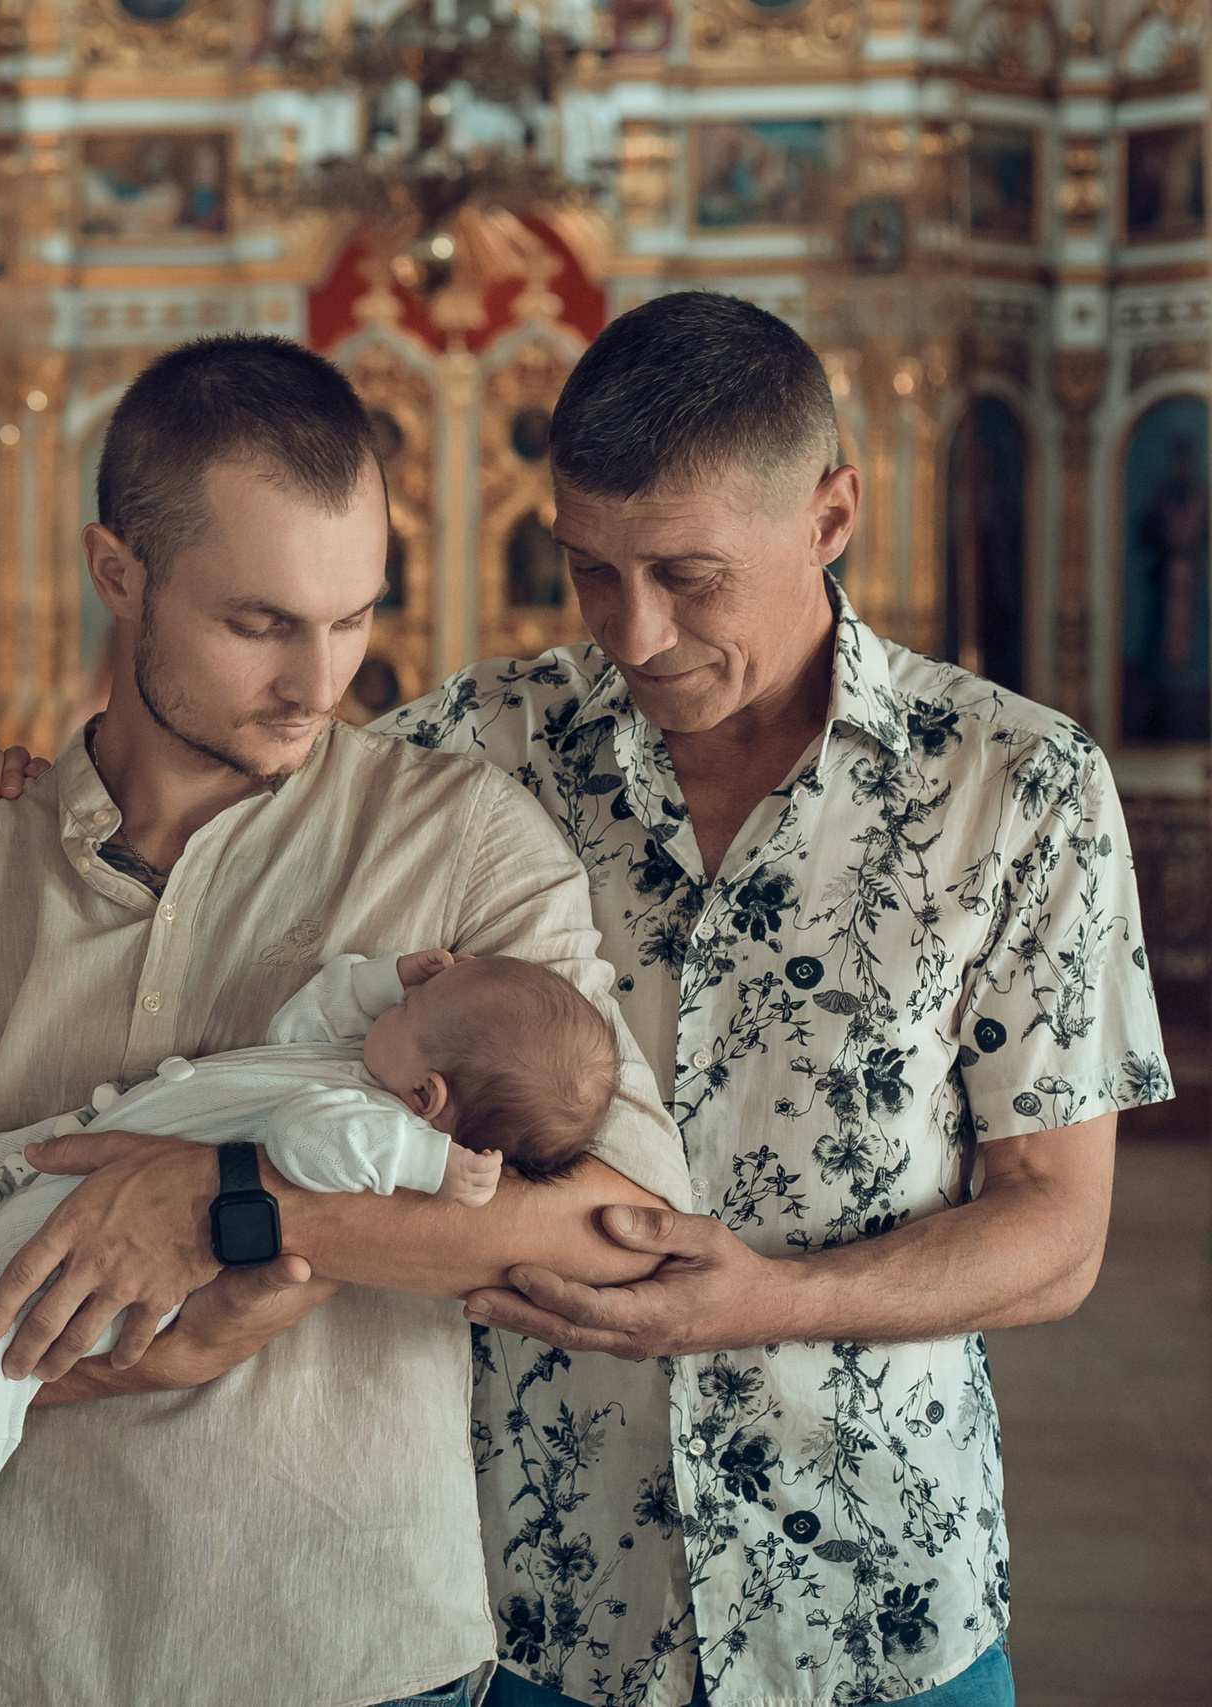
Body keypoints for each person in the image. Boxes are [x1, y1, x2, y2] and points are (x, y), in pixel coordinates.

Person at [0, 333, 692, 1707]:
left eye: (351, 617)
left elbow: (625, 1230)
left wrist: (235, 1204)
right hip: (19, 1658)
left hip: (365, 1653)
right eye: (258, 622)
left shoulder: (459, 841)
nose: (317, 680)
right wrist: (143, 1352)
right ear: (118, 573)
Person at [376, 291, 1170, 1707]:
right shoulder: (469, 751)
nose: (635, 629)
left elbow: (1057, 1229)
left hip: (881, 1596)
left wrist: (765, 1302)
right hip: (537, 1604)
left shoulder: (1017, 786)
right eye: (590, 570)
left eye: (687, 574)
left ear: (830, 513)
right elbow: (221, 836)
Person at [0, 949, 618, 1525]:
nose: (402, 999)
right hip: (83, 1181)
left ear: (428, 1095)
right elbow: (301, 1023)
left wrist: (423, 1161)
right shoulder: (362, 1066)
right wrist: (386, 985)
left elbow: (300, 1139)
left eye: (408, 1011)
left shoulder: (375, 1128)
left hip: (117, 1256)